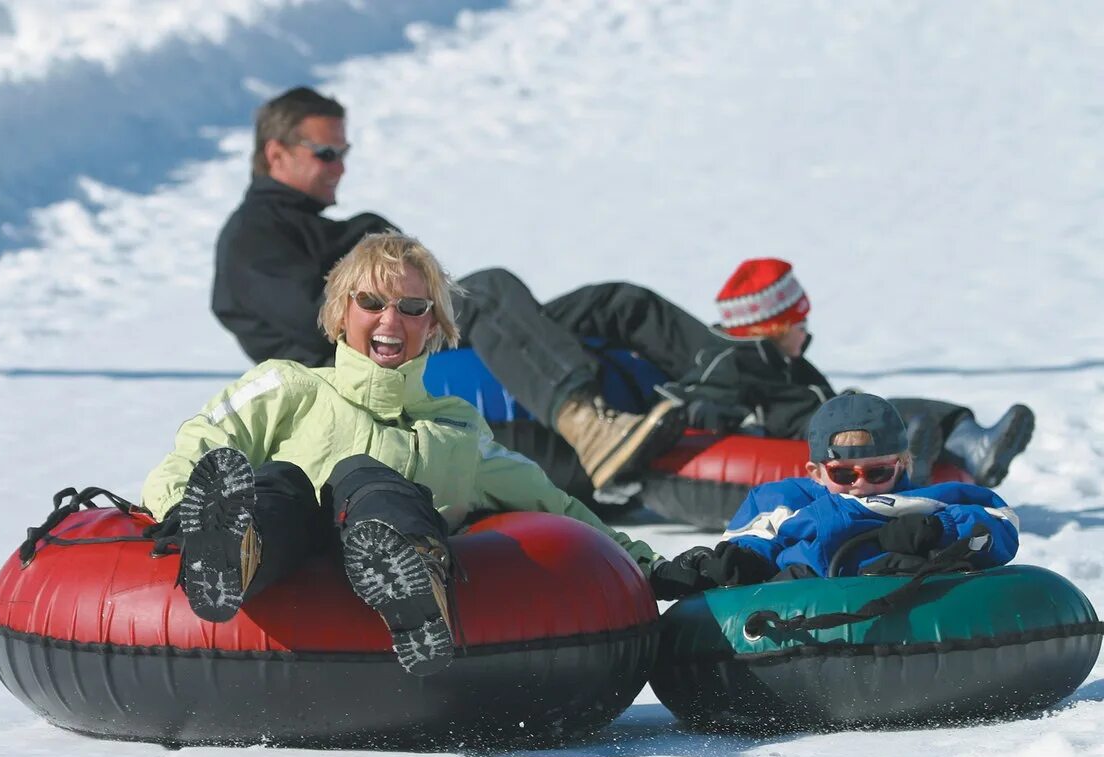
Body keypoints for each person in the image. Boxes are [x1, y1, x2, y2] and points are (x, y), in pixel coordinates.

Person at [146, 233, 674, 677]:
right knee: (283, 481)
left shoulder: (454, 428)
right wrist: (176, 509)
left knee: (367, 480)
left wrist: (645, 564)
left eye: (413, 307)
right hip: (288, 555)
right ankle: (233, 549)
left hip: (386, 581)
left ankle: (412, 582)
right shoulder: (289, 386)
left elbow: (553, 505)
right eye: (371, 302)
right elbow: (202, 445)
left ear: (435, 326)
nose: (389, 320)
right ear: (339, 314)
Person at [211, 85, 722, 489]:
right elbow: (329, 321)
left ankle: (738, 378)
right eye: (326, 152)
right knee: (492, 294)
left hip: (420, 353)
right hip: (372, 392)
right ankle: (586, 424)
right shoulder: (253, 239)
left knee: (616, 304)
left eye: (344, 151)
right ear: (276, 154)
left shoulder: (318, 227)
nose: (340, 166)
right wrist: (373, 247)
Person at [665, 258, 1036, 487]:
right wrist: (721, 416)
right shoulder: (730, 361)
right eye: (799, 323)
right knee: (882, 415)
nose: (806, 332)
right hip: (808, 436)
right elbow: (703, 395)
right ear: (773, 326)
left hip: (830, 419)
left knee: (902, 407)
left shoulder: (789, 359)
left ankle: (972, 444)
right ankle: (910, 462)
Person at [650, 393, 1020, 599]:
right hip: (802, 603)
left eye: (877, 472)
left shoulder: (931, 500)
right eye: (843, 474)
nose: (860, 484)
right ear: (816, 472)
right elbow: (752, 538)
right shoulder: (785, 499)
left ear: (904, 464)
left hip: (893, 596)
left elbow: (1000, 523)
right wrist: (741, 562)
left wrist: (937, 530)